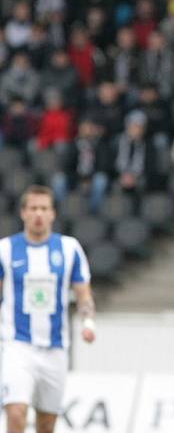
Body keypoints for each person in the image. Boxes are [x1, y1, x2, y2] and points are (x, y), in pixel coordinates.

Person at [0, 185, 96, 433]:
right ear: (23, 213)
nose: (38, 214)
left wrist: (87, 322)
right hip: (16, 344)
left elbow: (83, 293)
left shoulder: (69, 248)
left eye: (44, 208)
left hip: (55, 348)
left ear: (53, 214)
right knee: (17, 411)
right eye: (33, 208)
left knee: (46, 424)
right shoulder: (6, 250)